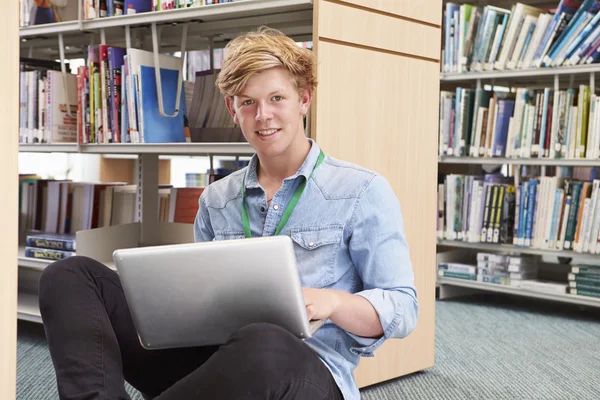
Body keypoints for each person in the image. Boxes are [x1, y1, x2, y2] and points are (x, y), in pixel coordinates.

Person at [39, 26, 418, 400]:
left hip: (307, 373)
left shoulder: (361, 190)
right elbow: (200, 305)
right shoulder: (216, 199)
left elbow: (403, 307)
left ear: (304, 99)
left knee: (266, 341)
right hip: (216, 369)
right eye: (248, 102)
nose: (263, 115)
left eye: (276, 98)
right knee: (68, 274)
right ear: (232, 110)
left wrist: (334, 303)